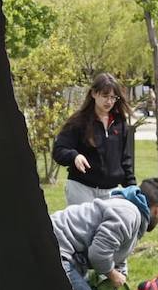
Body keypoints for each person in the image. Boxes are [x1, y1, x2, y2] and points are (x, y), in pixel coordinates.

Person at [52, 73, 135, 206]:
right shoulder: (78, 121)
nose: (109, 101)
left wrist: (132, 187)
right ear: (94, 94)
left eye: (113, 97)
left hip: (111, 193)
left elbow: (125, 159)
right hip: (81, 190)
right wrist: (74, 156)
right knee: (84, 227)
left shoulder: (120, 123)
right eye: (105, 96)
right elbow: (58, 150)